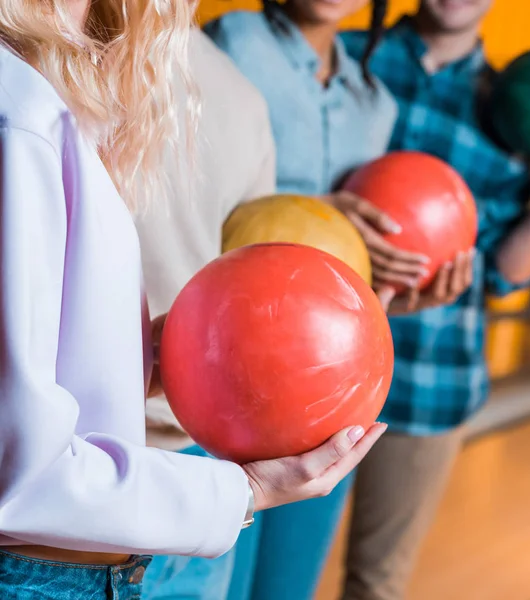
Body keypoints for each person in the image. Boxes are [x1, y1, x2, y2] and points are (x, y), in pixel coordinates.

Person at [0, 1, 388, 598]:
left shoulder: (48, 103)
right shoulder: (22, 117)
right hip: (39, 574)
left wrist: (146, 361)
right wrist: (248, 490)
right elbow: (18, 477)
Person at [204, 0, 474, 597]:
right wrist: (318, 208)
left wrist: (396, 292)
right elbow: (193, 203)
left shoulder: (372, 102)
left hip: (331, 384)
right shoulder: (230, 42)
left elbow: (355, 250)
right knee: (217, 580)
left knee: (288, 585)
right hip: (231, 366)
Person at [338, 1, 530, 598]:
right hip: (315, 360)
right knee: (272, 583)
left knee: (375, 584)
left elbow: (507, 275)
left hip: (431, 379)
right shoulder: (350, 56)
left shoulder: (519, 107)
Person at [136, 26, 276, 600]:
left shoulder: (39, 58)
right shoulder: (242, 93)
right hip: (196, 453)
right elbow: (261, 293)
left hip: (83, 455)